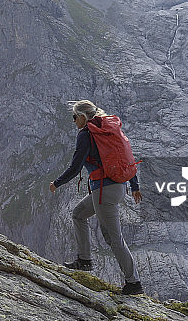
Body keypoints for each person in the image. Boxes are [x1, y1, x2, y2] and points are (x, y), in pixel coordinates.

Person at [50, 100, 144, 295]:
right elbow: (124, 158)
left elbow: (76, 167)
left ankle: (134, 283)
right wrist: (134, 185)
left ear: (83, 117)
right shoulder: (108, 130)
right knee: (78, 214)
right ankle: (84, 260)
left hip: (104, 190)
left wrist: (57, 182)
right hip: (117, 186)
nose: (73, 121)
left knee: (113, 238)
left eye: (75, 117)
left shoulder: (86, 134)